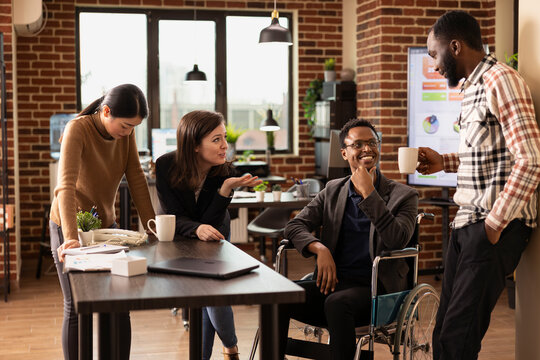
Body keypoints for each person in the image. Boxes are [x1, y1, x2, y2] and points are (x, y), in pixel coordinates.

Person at [419, 10, 540, 360]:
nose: (434, 66)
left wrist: (493, 225)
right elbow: (491, 153)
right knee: (444, 335)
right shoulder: (472, 88)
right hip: (466, 225)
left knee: (458, 338)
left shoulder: (500, 80)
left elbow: (530, 159)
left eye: (434, 54)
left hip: (490, 227)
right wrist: (446, 161)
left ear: (454, 46)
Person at [278, 118, 418, 360]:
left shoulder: (404, 196)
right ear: (344, 153)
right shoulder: (333, 190)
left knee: (337, 303)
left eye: (372, 143)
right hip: (333, 283)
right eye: (358, 144)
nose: (367, 149)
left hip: (378, 291)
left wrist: (369, 194)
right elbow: (294, 225)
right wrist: (320, 248)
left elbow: (397, 240)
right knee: (277, 296)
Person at [50, 83, 156, 360]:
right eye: (125, 126)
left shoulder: (125, 135)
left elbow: (136, 179)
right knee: (77, 305)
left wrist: (152, 226)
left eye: (134, 127)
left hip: (105, 228)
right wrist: (70, 237)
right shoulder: (78, 128)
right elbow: (66, 186)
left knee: (120, 303)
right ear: (106, 111)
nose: (128, 132)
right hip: (69, 226)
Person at [155, 110, 262, 360]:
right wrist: (195, 229)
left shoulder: (225, 171)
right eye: (216, 139)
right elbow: (172, 214)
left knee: (212, 292)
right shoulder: (166, 165)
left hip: (216, 237)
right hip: (180, 237)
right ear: (193, 145)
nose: (225, 146)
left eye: (224, 137)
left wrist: (225, 189)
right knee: (206, 296)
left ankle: (222, 352)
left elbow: (212, 222)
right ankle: (231, 349)